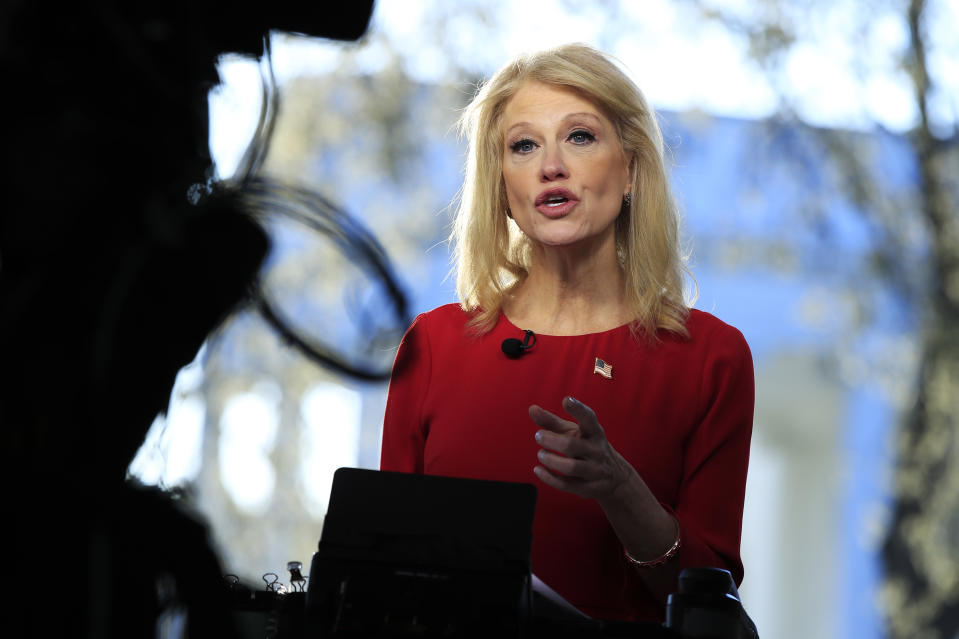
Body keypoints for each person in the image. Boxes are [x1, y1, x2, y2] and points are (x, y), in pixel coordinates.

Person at [380, 43, 754, 624]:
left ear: (631, 168)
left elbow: (711, 600)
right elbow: (379, 570)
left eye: (579, 136)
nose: (550, 165)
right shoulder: (433, 346)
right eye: (524, 145)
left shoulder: (711, 359)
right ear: (502, 185)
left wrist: (618, 486)